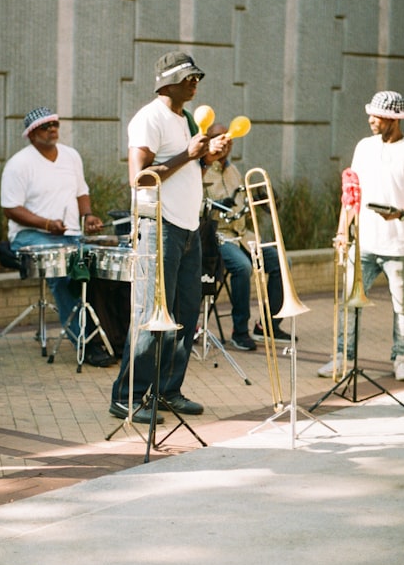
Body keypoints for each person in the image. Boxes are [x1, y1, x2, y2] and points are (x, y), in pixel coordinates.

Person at [109, 51, 229, 424]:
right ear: (166, 82)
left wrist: (208, 154)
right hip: (158, 227)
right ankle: (128, 398)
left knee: (184, 315)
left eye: (197, 78)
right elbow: (139, 177)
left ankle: (167, 391)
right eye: (188, 78)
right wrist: (187, 153)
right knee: (150, 315)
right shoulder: (149, 118)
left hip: (189, 228)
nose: (195, 83)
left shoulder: (188, 118)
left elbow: (190, 165)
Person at [317, 91, 404, 381]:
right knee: (348, 301)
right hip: (364, 243)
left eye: (377, 115)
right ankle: (341, 358)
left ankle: (401, 358)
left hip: (399, 244)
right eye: (370, 114)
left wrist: (402, 213)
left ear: (394, 119)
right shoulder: (364, 147)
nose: (371, 119)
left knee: (402, 306)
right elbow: (352, 193)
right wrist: (341, 231)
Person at [0, 106, 115, 368]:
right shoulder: (19, 164)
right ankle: (86, 345)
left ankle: (113, 338)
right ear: (31, 134)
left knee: (97, 272)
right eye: (45, 126)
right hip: (31, 236)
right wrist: (46, 224)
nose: (53, 129)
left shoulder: (71, 156)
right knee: (65, 276)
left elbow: (81, 192)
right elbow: (10, 207)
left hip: (69, 236)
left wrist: (87, 216)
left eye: (55, 124)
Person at [201, 122, 292, 351]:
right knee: (242, 267)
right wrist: (217, 206)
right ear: (207, 140)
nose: (225, 143)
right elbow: (199, 208)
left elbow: (242, 205)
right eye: (219, 138)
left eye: (229, 139)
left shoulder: (234, 170)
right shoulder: (201, 168)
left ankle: (267, 325)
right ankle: (239, 331)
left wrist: (261, 198)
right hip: (217, 236)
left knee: (282, 260)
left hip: (242, 235)